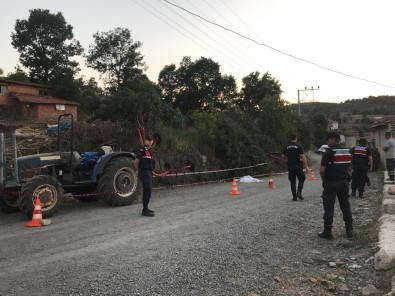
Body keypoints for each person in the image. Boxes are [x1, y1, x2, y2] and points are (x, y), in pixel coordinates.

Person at [319, 131, 353, 240]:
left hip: (332, 182)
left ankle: (327, 232)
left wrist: (324, 181)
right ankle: (350, 231)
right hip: (344, 182)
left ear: (333, 139)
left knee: (329, 207)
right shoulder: (347, 150)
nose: (327, 141)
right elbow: (349, 167)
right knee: (345, 206)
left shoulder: (329, 152)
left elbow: (322, 170)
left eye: (328, 139)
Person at [282, 134, 309, 201]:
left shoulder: (286, 146)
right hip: (298, 166)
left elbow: (283, 156)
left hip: (290, 166)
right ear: (296, 139)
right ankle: (299, 193)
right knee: (302, 178)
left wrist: (289, 157)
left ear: (290, 139)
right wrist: (306, 167)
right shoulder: (298, 146)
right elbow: (303, 157)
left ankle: (294, 197)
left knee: (292, 182)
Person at [134, 133, 155, 217]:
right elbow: (136, 161)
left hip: (149, 172)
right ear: (145, 140)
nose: (150, 142)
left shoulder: (149, 150)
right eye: (148, 140)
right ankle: (144, 210)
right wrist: (136, 170)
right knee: (147, 191)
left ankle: (146, 208)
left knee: (148, 191)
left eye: (151, 140)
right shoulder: (142, 149)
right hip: (144, 172)